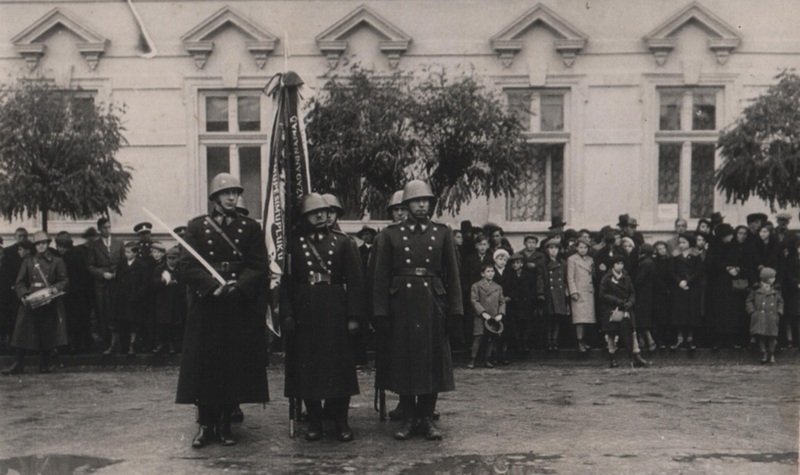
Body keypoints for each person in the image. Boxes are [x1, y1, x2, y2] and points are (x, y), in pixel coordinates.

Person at [176, 173, 269, 448]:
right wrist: (210, 286)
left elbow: (259, 265)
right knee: (206, 367)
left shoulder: (250, 228)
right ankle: (205, 425)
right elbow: (187, 265)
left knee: (232, 366)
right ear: (215, 197)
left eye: (235, 193)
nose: (231, 198)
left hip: (236, 306)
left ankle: (227, 425)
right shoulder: (196, 227)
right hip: (207, 306)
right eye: (226, 193)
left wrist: (238, 286)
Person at [372, 179, 463, 441]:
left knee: (431, 361)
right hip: (402, 304)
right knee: (405, 361)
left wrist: (456, 311)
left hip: (433, 303)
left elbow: (453, 276)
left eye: (426, 200)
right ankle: (409, 417)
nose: (422, 204)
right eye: (416, 200)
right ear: (407, 204)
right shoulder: (391, 234)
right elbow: (381, 277)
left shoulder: (442, 232)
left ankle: (426, 417)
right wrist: (380, 312)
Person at [281, 193, 364, 442]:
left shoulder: (343, 243)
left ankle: (341, 421)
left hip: (335, 312)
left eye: (324, 212)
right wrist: (286, 313)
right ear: (304, 217)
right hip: (305, 313)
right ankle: (315, 421)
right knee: (308, 369)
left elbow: (356, 283)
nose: (320, 216)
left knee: (340, 369)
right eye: (313, 213)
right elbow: (285, 284)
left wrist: (354, 317)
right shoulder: (293, 245)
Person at [2, 232, 68, 375]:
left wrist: (56, 288)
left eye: (43, 243)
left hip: (48, 300)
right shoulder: (29, 261)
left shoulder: (57, 261)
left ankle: (44, 364)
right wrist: (24, 295)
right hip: (31, 299)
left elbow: (64, 280)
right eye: (38, 243)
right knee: (22, 331)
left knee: (46, 332)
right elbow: (19, 282)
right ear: (35, 246)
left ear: (48, 243)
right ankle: (18, 363)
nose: (41, 246)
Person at [598, 254, 649, 368]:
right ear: (612, 265)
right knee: (611, 333)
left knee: (632, 331)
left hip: (626, 308)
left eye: (622, 264)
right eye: (617, 264)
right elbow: (602, 294)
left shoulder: (627, 277)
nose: (620, 266)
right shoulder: (606, 278)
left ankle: (637, 355)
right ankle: (612, 358)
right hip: (612, 309)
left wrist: (630, 302)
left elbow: (632, 292)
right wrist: (617, 301)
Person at [105, 241, 148, 355]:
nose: (126, 254)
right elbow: (117, 280)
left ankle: (132, 346)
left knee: (134, 322)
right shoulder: (121, 264)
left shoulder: (141, 265)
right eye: (125, 251)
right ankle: (118, 346)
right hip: (121, 299)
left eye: (129, 252)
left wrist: (138, 295)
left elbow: (145, 283)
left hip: (134, 300)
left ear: (135, 253)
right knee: (120, 321)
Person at [88, 217, 124, 350]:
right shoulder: (94, 245)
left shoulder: (119, 243)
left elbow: (123, 262)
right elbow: (90, 266)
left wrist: (118, 274)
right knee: (103, 313)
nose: (107, 230)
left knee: (116, 311)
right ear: (99, 229)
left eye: (109, 227)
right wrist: (102, 274)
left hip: (116, 284)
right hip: (101, 285)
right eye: (104, 228)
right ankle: (106, 344)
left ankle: (118, 344)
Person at [468, 263, 505, 368]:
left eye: (492, 271)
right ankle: (472, 360)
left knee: (491, 338)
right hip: (481, 316)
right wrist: (482, 312)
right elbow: (474, 300)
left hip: (493, 317)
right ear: (482, 274)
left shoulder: (498, 287)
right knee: (478, 337)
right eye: (488, 271)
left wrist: (500, 314)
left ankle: (487, 360)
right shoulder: (476, 286)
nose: (490, 274)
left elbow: (502, 302)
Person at [669, 234, 702, 350]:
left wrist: (688, 281)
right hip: (679, 289)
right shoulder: (675, 255)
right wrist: (679, 281)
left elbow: (698, 271)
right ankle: (679, 338)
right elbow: (672, 271)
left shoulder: (696, 255)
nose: (681, 245)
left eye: (684, 242)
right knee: (679, 314)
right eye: (680, 243)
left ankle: (690, 339)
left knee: (691, 314)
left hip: (692, 288)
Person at [746, 267, 783, 364]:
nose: (774, 279)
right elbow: (749, 301)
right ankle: (763, 353)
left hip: (772, 316)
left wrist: (779, 311)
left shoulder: (775, 290)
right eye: (772, 277)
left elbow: (780, 301)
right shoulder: (756, 290)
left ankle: (772, 354)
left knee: (772, 336)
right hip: (759, 316)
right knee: (760, 335)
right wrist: (752, 311)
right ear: (766, 278)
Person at [152, 246, 184, 355]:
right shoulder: (160, 268)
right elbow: (153, 283)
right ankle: (162, 344)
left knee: (176, 324)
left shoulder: (181, 269)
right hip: (163, 301)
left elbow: (185, 283)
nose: (171, 260)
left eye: (173, 258)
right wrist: (162, 281)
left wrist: (177, 284)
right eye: (169, 258)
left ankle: (174, 346)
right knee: (163, 323)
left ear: (178, 259)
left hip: (176, 301)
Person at [506, 252, 539, 352]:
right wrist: (513, 297)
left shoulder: (528, 275)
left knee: (525, 325)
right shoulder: (510, 276)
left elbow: (532, 289)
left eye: (517, 262)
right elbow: (509, 289)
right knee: (516, 325)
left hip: (526, 305)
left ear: (522, 264)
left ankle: (525, 343)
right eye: (513, 263)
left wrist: (531, 300)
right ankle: (518, 344)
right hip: (515, 304)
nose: (515, 265)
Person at [567, 237, 596, 353]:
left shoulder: (590, 260)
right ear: (576, 248)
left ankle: (585, 341)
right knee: (579, 319)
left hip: (588, 292)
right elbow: (570, 277)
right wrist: (573, 291)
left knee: (587, 319)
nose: (583, 250)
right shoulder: (572, 259)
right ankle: (579, 342)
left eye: (585, 248)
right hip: (579, 292)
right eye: (580, 247)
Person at [541, 239, 569, 351]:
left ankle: (555, 340)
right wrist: (540, 293)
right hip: (548, 294)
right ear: (547, 250)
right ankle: (548, 341)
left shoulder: (563, 263)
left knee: (557, 317)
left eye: (556, 248)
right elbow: (540, 279)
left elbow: (566, 279)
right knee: (549, 318)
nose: (553, 251)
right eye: (551, 248)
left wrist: (567, 292)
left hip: (560, 293)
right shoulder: (543, 263)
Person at [633, 243, 657, 352]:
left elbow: (639, 280)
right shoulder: (651, 262)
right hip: (649, 294)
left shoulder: (644, 263)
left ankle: (647, 340)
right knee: (644, 319)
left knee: (641, 319)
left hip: (642, 294)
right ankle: (647, 341)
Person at [491, 248, 513, 364]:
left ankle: (504, 354)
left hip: (507, 305)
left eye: (505, 259)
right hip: (494, 305)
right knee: (494, 329)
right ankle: (493, 355)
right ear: (495, 260)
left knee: (506, 331)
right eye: (500, 259)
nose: (502, 261)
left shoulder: (509, 272)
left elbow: (514, 287)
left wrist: (509, 297)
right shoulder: (491, 271)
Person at [652, 241, 672, 349]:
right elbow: (656, 277)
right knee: (660, 317)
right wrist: (664, 288)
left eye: (664, 248)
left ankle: (667, 339)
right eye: (659, 249)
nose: (662, 250)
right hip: (659, 292)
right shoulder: (655, 262)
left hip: (670, 291)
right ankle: (659, 340)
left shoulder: (670, 260)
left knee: (668, 316)